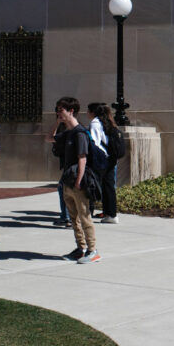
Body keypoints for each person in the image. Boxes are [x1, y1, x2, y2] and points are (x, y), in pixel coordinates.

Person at [55, 97, 101, 264]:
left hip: (77, 182)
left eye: (61, 110)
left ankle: (92, 250)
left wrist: (78, 182)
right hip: (67, 182)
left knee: (84, 217)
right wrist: (56, 122)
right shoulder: (68, 132)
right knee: (74, 218)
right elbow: (49, 138)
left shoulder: (80, 133)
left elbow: (83, 159)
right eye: (57, 110)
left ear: (71, 111)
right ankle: (80, 248)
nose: (58, 113)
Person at [88, 102, 120, 224]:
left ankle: (88, 213)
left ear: (93, 112)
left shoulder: (95, 123)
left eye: (88, 110)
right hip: (111, 158)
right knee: (109, 187)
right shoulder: (109, 122)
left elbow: (94, 143)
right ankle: (111, 214)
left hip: (101, 159)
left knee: (92, 185)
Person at [45, 120, 71, 227]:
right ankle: (68, 217)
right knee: (65, 189)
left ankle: (67, 218)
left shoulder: (72, 132)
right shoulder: (78, 130)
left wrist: (56, 122)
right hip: (70, 166)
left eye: (61, 111)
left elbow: (49, 138)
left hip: (72, 167)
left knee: (64, 189)